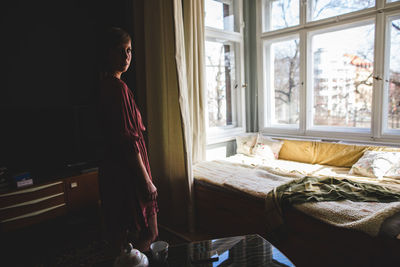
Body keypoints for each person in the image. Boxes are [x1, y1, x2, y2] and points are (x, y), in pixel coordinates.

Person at [97, 27, 158, 253]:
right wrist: (146, 180)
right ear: (108, 54)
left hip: (113, 170)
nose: (126, 56)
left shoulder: (104, 86)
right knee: (150, 232)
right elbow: (128, 141)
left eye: (130, 50)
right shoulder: (118, 88)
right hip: (128, 171)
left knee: (120, 236)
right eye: (120, 51)